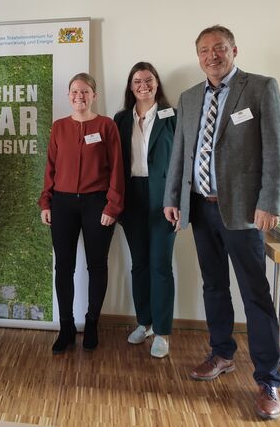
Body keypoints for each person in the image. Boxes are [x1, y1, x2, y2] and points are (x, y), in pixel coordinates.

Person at [164, 25, 280, 419]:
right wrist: (173, 198)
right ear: (197, 56)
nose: (211, 56)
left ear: (234, 49)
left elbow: (277, 150)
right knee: (214, 286)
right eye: (204, 50)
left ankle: (268, 378)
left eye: (219, 48)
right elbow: (180, 155)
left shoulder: (260, 88)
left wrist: (269, 202)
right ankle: (222, 354)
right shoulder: (188, 98)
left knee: (255, 293)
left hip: (244, 212)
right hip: (200, 208)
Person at [39, 73, 125, 353]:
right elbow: (50, 167)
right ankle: (66, 327)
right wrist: (46, 202)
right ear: (68, 95)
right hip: (62, 204)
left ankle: (91, 324)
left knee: (96, 265)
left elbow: (116, 170)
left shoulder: (106, 126)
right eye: (75, 91)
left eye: (85, 91)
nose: (79, 96)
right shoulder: (59, 127)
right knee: (63, 267)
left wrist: (112, 205)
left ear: (94, 95)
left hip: (97, 204)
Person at [114, 62, 176, 359]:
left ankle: (162, 331)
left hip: (163, 197)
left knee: (160, 264)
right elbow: (114, 164)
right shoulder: (121, 119)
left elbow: (181, 163)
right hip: (132, 196)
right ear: (130, 86)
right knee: (139, 264)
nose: (143, 85)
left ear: (157, 83)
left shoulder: (172, 116)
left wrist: (176, 200)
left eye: (148, 80)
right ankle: (145, 322)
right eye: (137, 81)